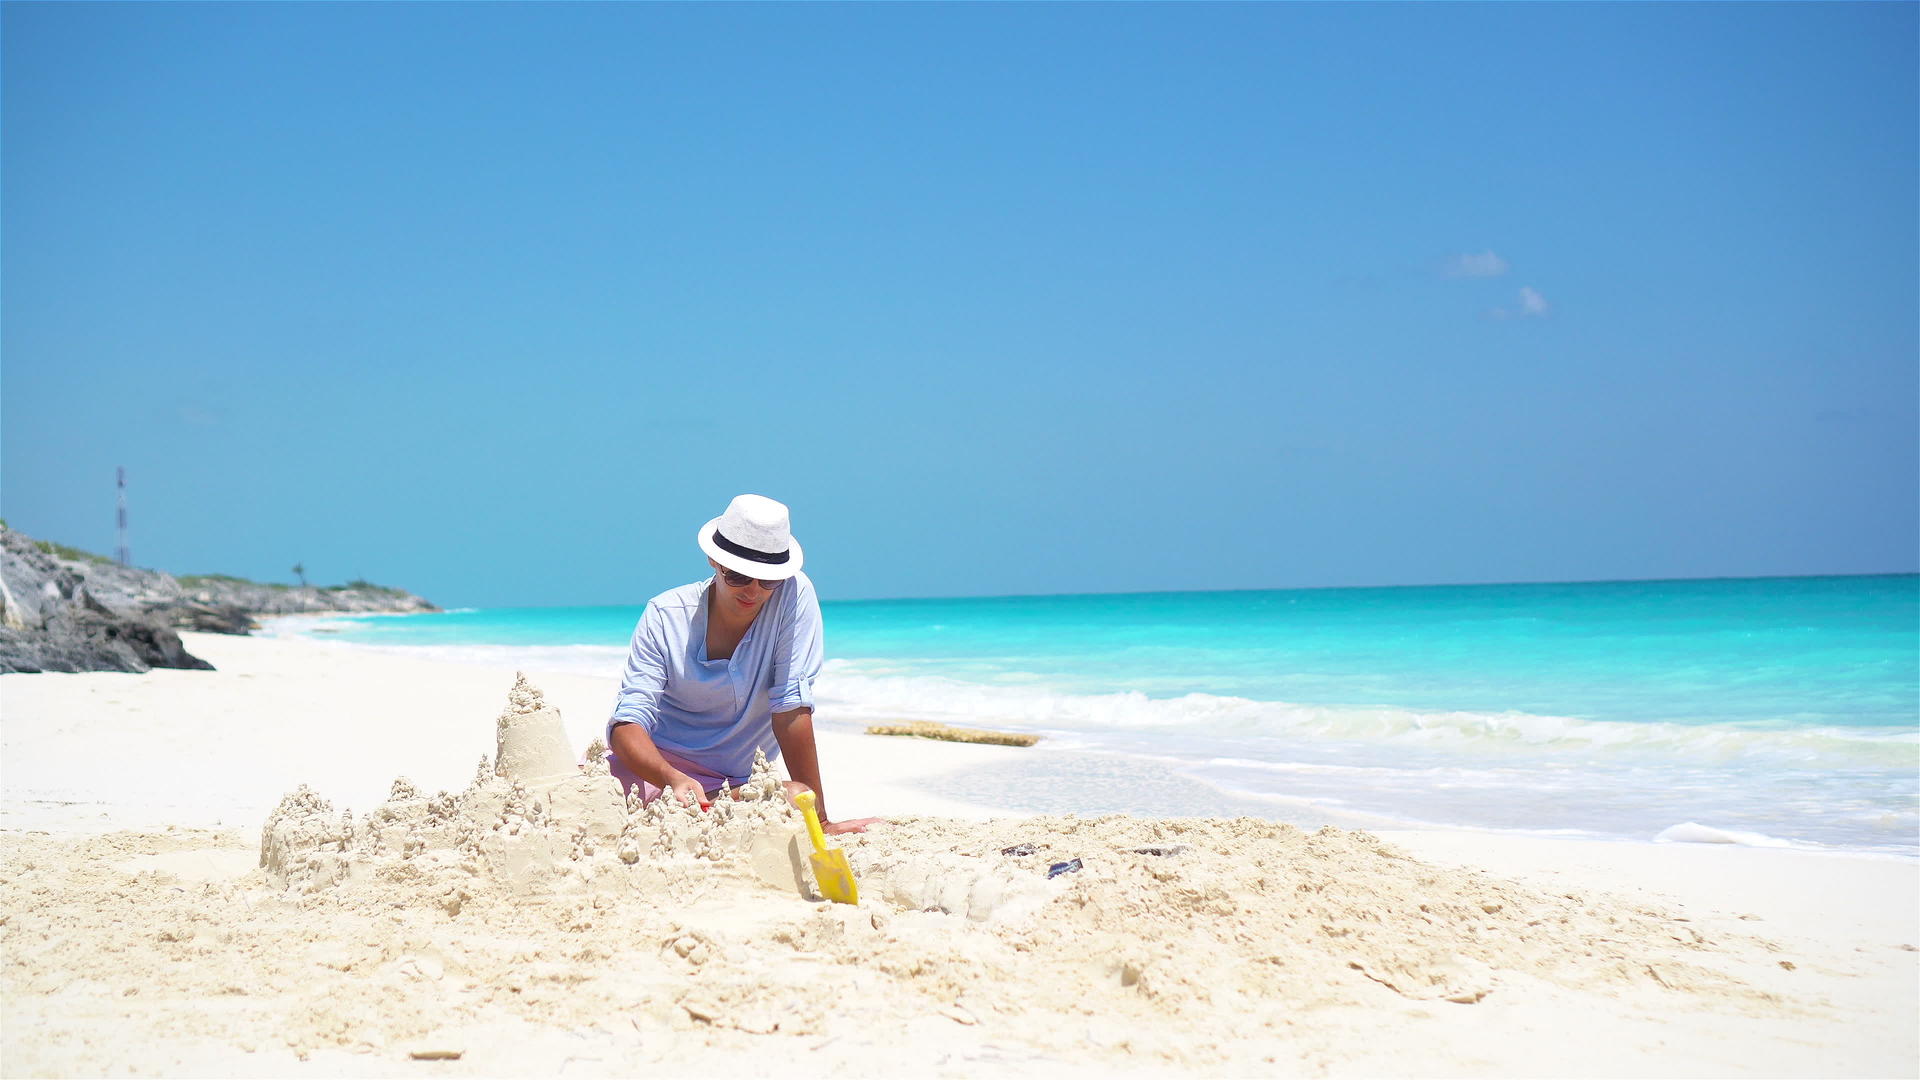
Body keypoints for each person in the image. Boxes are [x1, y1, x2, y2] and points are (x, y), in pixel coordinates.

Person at [606, 494, 880, 835]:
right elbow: (628, 721)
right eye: (739, 576)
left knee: (798, 798)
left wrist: (820, 822)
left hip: (730, 790)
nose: (753, 590)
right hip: (653, 773)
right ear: (713, 560)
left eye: (768, 580)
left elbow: (791, 706)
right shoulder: (665, 614)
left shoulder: (793, 596)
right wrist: (670, 777)